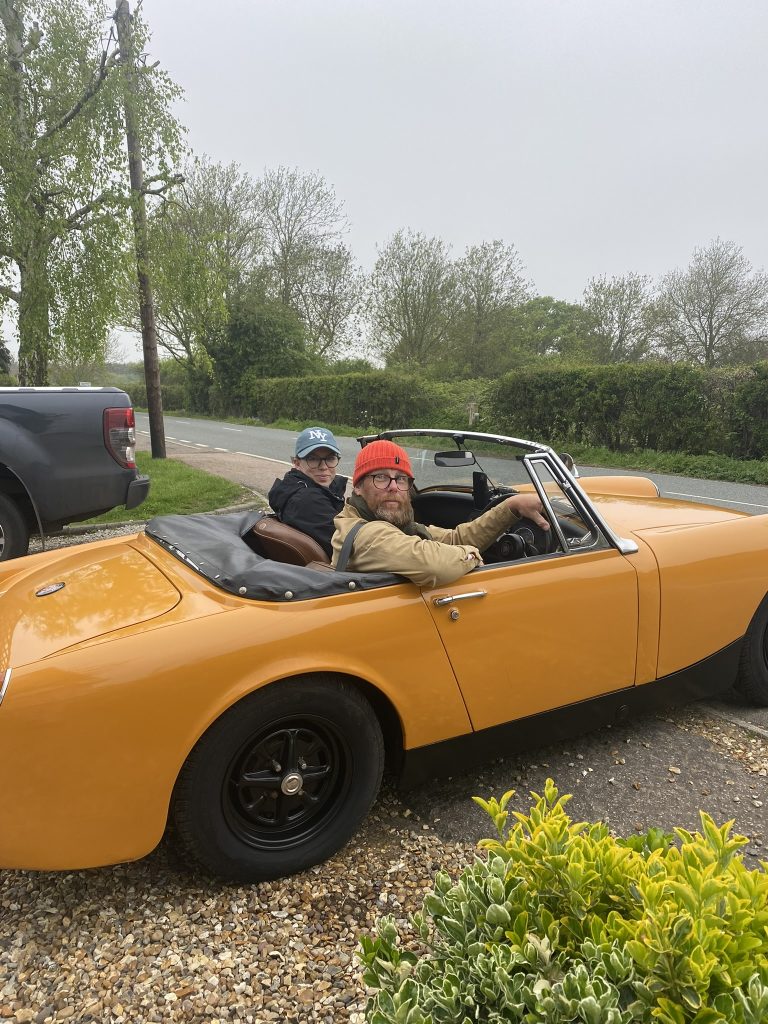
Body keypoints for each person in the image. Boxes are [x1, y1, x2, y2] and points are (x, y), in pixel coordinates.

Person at [331, 439, 549, 587]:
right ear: (358, 487)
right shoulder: (366, 534)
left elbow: (454, 539)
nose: (393, 487)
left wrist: (510, 507)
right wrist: (471, 555)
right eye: (380, 477)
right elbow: (433, 565)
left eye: (401, 478)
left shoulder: (393, 525)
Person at [268, 426, 348, 558]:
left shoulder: (299, 487)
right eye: (313, 459)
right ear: (297, 463)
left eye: (330, 458)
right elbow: (350, 546)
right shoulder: (306, 500)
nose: (323, 467)